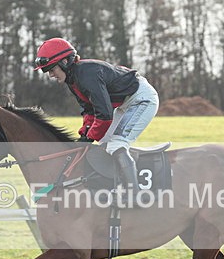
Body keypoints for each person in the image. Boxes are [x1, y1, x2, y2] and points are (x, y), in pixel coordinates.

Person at [33, 38, 159, 202]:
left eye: (51, 69)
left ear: (64, 62)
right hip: (126, 103)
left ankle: (134, 194)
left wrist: (90, 136)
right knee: (105, 143)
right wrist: (84, 135)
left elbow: (105, 115)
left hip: (142, 99)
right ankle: (115, 186)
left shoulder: (87, 75)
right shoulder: (73, 80)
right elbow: (89, 110)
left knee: (117, 144)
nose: (50, 75)